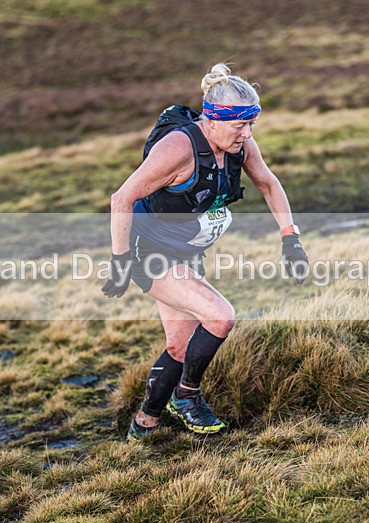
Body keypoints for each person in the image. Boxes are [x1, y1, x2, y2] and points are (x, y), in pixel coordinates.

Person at [102, 63, 309, 440]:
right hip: (149, 251)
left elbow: (268, 183)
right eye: (239, 126)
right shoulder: (178, 148)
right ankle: (186, 396)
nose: (246, 135)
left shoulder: (238, 144)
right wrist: (120, 263)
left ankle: (143, 424)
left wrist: (290, 239)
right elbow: (122, 197)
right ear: (211, 120)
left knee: (179, 346)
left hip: (187, 251)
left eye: (251, 125)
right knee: (220, 317)